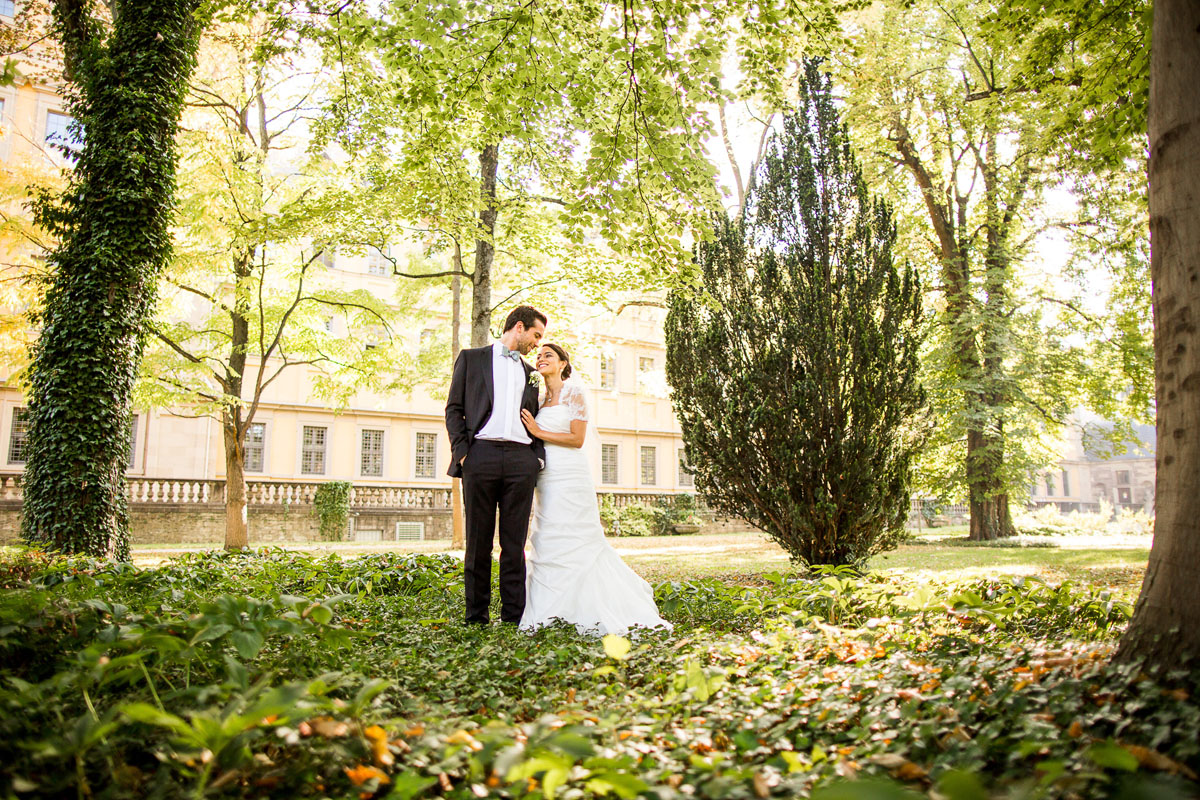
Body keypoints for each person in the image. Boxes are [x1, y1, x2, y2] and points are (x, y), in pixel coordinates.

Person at [518, 343, 672, 635]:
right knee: (548, 535)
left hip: (571, 474)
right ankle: (550, 610)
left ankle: (594, 606)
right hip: (545, 477)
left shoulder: (574, 392)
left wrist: (538, 431)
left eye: (548, 355)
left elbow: (577, 438)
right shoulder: (537, 399)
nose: (541, 359)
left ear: (563, 363)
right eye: (539, 355)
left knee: (577, 536)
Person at [445, 306, 547, 625]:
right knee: (478, 541)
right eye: (536, 335)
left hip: (520, 460)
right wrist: (464, 454)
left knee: (514, 544)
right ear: (519, 327)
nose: (537, 343)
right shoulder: (471, 359)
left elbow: (536, 419)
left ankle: (513, 617)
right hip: (481, 456)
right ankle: (476, 617)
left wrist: (536, 457)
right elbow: (454, 409)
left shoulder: (532, 373)